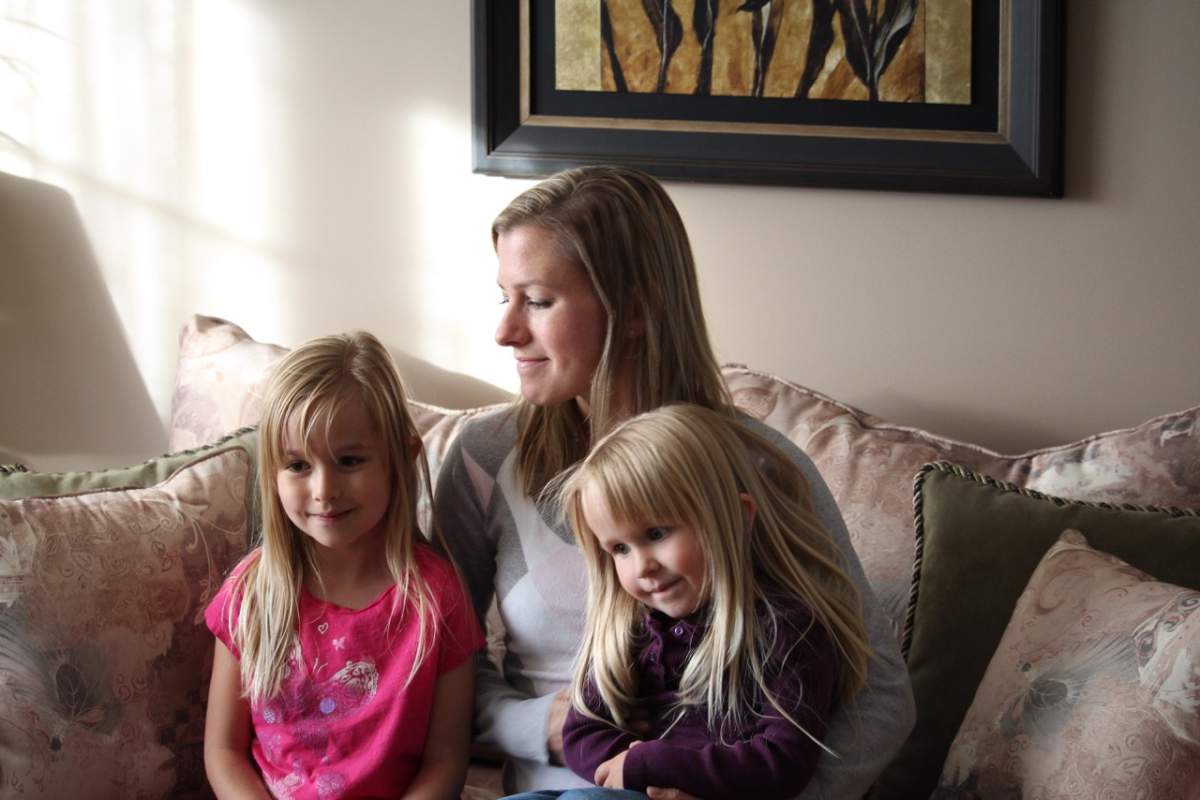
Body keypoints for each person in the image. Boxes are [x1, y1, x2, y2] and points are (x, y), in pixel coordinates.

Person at [434, 165, 915, 798]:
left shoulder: (758, 468)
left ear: (635, 309)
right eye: (506, 298)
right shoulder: (483, 457)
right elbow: (429, 667)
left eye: (540, 301)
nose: (506, 332)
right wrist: (537, 725)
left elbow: (880, 698)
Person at [503, 403, 871, 800]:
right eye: (620, 548)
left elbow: (782, 761)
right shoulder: (634, 630)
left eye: (657, 533)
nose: (642, 566)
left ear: (737, 517)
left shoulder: (786, 629)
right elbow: (581, 731)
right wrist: (628, 763)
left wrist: (651, 763)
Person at [204, 331, 484, 800]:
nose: (324, 490)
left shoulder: (438, 597)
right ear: (272, 472)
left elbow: (446, 763)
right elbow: (223, 753)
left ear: (402, 458)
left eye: (349, 461)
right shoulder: (250, 592)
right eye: (298, 465)